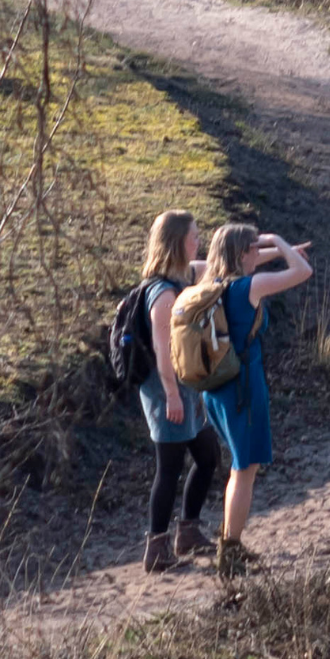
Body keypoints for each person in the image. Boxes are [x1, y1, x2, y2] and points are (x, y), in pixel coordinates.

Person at [170, 221, 317, 574]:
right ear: (242, 254)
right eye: (253, 248)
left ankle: (229, 540)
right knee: (245, 468)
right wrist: (277, 238)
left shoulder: (209, 282)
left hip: (217, 391)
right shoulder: (250, 287)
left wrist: (271, 247)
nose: (258, 253)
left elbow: (241, 258)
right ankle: (230, 550)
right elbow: (303, 272)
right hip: (244, 390)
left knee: (239, 465)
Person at [127, 209, 216, 572]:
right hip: (166, 389)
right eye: (194, 236)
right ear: (178, 242)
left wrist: (269, 247)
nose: (199, 241)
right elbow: (163, 351)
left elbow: (219, 265)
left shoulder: (184, 277)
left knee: (208, 456)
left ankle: (188, 533)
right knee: (169, 469)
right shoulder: (163, 295)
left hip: (185, 386)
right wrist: (174, 397)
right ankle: (157, 549)